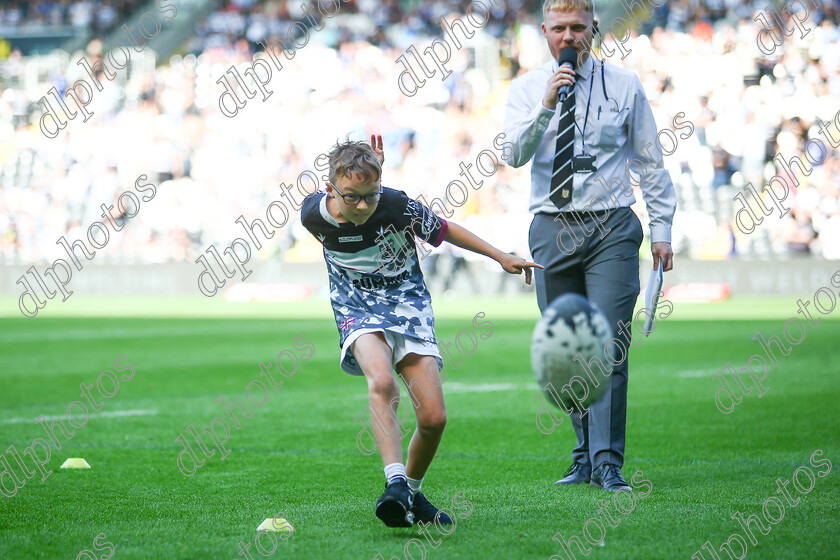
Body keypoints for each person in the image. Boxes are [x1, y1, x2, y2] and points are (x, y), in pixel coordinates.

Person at [301, 136, 541, 526]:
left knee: (433, 419)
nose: (362, 206)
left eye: (370, 195)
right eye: (351, 197)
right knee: (381, 380)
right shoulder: (312, 214)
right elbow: (346, 202)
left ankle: (409, 494)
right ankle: (394, 481)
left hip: (407, 304)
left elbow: (444, 231)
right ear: (330, 189)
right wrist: (366, 170)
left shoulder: (395, 204)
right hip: (356, 307)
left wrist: (500, 256)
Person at [502, 0, 677, 491]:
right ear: (543, 31)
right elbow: (513, 155)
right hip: (551, 228)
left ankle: (607, 462)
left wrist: (662, 228)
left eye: (578, 27)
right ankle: (581, 454)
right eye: (559, 28)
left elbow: (650, 161)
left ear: (594, 28)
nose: (569, 36)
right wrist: (544, 107)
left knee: (608, 347)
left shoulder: (625, 84)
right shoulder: (524, 89)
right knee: (568, 352)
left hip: (611, 226)